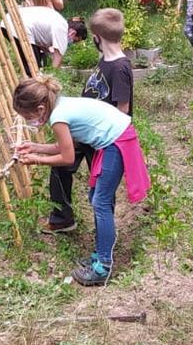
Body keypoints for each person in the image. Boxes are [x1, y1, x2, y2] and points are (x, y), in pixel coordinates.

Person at [13, 75, 150, 286]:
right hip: (115, 138)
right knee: (96, 197)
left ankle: (103, 266)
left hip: (116, 141)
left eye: (27, 116)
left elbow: (67, 158)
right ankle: (100, 253)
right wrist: (35, 147)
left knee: (100, 201)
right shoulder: (60, 104)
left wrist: (36, 160)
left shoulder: (58, 118)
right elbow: (65, 147)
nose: (28, 121)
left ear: (40, 109)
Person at [41, 8, 135, 235]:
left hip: (101, 138)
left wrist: (102, 139)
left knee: (101, 185)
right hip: (84, 132)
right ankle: (62, 218)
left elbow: (123, 110)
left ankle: (104, 224)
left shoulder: (120, 67)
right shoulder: (105, 61)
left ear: (97, 37)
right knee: (61, 167)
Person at [1, 6, 87, 72]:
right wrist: (54, 75)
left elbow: (41, 42)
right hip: (18, 25)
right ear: (73, 33)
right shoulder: (62, 29)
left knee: (32, 64)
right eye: (75, 40)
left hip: (8, 22)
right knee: (33, 67)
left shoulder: (59, 21)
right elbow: (58, 58)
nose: (72, 43)